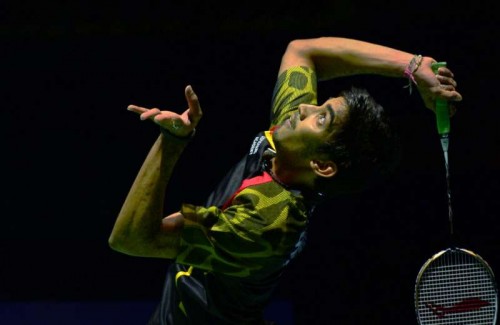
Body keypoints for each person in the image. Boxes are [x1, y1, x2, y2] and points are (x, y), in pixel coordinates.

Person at [108, 36, 462, 324]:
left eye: (320, 119)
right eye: (319, 105)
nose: (304, 109)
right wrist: (413, 66)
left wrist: (171, 144)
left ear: (323, 165)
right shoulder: (294, 150)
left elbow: (132, 239)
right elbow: (303, 51)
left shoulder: (265, 222)